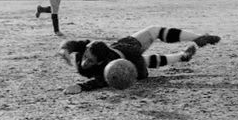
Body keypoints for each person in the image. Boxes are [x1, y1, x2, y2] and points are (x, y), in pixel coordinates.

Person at [58, 26, 221, 94]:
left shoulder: (107, 66)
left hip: (128, 54)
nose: (85, 62)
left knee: (152, 35)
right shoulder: (87, 47)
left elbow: (101, 81)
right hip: (122, 49)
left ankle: (198, 38)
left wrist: (81, 87)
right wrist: (65, 50)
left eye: (90, 61)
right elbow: (71, 43)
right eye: (86, 57)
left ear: (100, 63)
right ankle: (182, 56)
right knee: (147, 55)